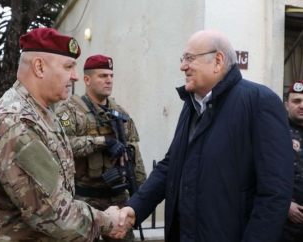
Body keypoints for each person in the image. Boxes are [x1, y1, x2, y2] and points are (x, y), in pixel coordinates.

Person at [119, 29, 294, 242]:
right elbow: (170, 166)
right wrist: (135, 208)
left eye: (190, 58)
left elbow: (275, 193)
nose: (183, 66)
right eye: (183, 58)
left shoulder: (259, 102)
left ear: (218, 61)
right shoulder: (191, 106)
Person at [0, 28, 133, 242]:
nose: (76, 76)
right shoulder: (15, 123)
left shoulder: (42, 113)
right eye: (68, 66)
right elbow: (53, 214)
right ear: (39, 67)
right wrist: (108, 221)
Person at [55, 55, 147, 242]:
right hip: (84, 202)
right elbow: (62, 146)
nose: (109, 80)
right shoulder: (69, 112)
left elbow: (134, 155)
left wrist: (141, 197)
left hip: (118, 199)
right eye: (103, 76)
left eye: (111, 76)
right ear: (87, 80)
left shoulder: (121, 114)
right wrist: (103, 142)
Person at [281, 81, 303, 241]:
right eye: (297, 101)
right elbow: (263, 174)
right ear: (286, 105)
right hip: (288, 220)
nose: (302, 106)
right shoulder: (276, 133)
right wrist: (285, 204)